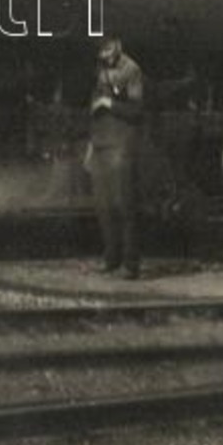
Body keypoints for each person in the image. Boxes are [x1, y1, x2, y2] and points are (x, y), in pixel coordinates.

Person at [86, 35, 145, 279]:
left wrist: (108, 102)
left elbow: (136, 110)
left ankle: (130, 265)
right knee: (103, 206)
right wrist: (91, 145)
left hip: (121, 146)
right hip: (101, 144)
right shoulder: (101, 68)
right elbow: (94, 110)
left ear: (118, 46)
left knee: (124, 206)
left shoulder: (131, 69)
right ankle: (111, 259)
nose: (105, 55)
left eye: (108, 49)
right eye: (101, 51)